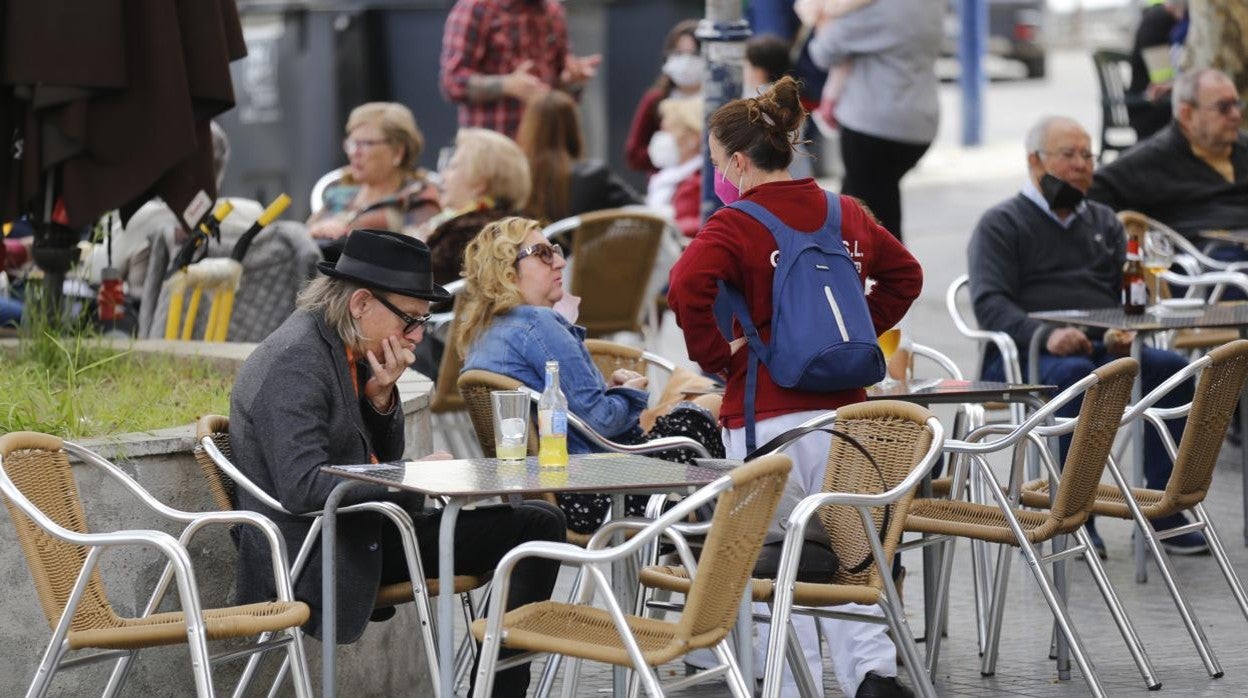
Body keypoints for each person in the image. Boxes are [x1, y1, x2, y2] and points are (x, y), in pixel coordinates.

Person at [667, 76, 923, 698]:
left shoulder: (734, 225)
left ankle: (783, 681)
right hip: (852, 423)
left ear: (736, 161)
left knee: (769, 562)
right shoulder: (847, 212)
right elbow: (905, 275)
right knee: (849, 553)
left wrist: (719, 358)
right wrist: (855, 332)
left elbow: (683, 288)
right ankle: (873, 675)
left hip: (766, 420)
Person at [229, 229, 565, 697]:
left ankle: (492, 687)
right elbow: (303, 487)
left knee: (540, 519)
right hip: (317, 553)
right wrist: (411, 477)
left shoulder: (342, 346)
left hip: (364, 529)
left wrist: (381, 399)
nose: (416, 336)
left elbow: (367, 459)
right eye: (409, 320)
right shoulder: (296, 362)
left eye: (423, 321)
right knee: (535, 526)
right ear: (361, 302)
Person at [968, 115, 1206, 558]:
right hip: (1029, 352)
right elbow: (990, 303)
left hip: (1099, 347)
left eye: (1088, 155)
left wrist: (1122, 331)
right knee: (1081, 377)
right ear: (1035, 162)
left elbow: (1123, 293)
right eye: (1069, 155)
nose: (1081, 165)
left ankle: (1164, 510)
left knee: (1172, 370)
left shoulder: (1102, 220)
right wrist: (1047, 334)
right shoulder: (1001, 223)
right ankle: (1073, 515)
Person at [456, 216, 724, 534]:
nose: (559, 261)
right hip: (595, 491)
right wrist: (632, 392)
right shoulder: (538, 324)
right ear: (507, 270)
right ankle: (717, 539)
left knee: (699, 405)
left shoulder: (485, 333)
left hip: (542, 494)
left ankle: (691, 535)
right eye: (543, 253)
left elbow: (573, 413)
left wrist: (612, 393)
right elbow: (602, 423)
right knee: (709, 407)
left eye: (555, 250)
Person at [806, 0, 941, 243]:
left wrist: (819, 19)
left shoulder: (876, 8)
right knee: (874, 205)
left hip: (874, 126)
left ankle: (885, 278)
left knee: (864, 221)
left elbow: (823, 51)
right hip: (920, 123)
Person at [410, 127, 531, 380]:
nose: (443, 175)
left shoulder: (470, 233)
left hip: (450, 358)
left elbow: (414, 291)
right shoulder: (512, 226)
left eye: (453, 167)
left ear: (479, 182)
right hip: (497, 357)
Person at [1090, 68, 1248, 243]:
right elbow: (1093, 193)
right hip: (1209, 258)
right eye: (1223, 108)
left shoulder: (1242, 147)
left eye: (1237, 104)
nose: (1236, 115)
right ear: (1187, 115)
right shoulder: (1153, 159)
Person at [439, 0, 601, 139]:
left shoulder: (553, 11)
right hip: (492, 152)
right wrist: (507, 85)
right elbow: (452, 82)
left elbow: (559, 86)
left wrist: (571, 81)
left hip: (544, 147)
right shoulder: (477, 7)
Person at [515, 91, 640, 224]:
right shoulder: (593, 176)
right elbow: (643, 212)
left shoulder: (514, 179)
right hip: (584, 245)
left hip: (530, 245)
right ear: (573, 127)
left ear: (528, 127)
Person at [623, 19, 703, 174]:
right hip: (665, 185)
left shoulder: (718, 100)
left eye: (695, 54)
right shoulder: (656, 100)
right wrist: (661, 153)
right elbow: (634, 154)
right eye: (679, 53)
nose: (686, 61)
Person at [644, 96, 704, 238]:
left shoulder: (698, 182)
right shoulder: (671, 178)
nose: (662, 138)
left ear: (694, 138)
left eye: (669, 130)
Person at [1126, 0, 1187, 139]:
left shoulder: (1169, 20)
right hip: (1150, 108)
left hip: (1159, 102)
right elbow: (1162, 78)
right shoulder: (1158, 21)